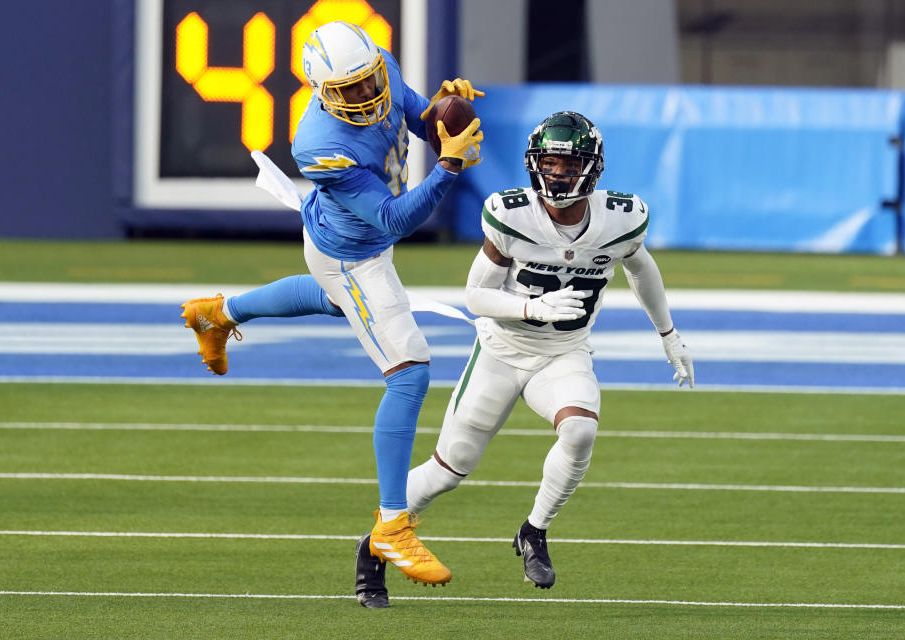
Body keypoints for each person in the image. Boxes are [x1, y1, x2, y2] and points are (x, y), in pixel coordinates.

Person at [179, 21, 484, 594]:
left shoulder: (381, 67)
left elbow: (419, 118)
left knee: (335, 300)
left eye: (370, 81)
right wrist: (447, 167)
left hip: (341, 243)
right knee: (409, 372)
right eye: (350, 91)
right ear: (321, 91)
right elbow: (394, 219)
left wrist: (447, 114)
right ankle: (393, 522)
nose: (367, 95)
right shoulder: (318, 144)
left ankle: (219, 313)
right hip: (354, 252)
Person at [354, 111, 694, 606]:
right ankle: (375, 544)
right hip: (500, 350)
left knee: (580, 431)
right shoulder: (513, 215)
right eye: (549, 163)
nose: (555, 174)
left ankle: (534, 530)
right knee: (449, 471)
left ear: (591, 169)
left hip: (563, 353)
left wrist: (668, 333)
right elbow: (475, 295)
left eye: (567, 163)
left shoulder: (621, 219)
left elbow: (642, 268)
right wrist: (532, 307)